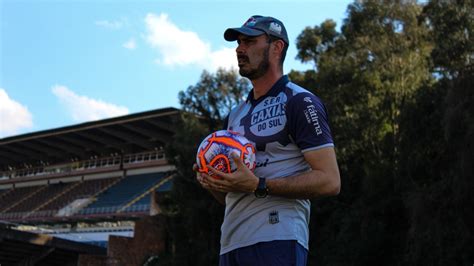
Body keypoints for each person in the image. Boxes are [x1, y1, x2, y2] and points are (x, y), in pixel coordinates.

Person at [195, 15, 341, 266]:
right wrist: (212, 182)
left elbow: (330, 181)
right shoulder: (234, 115)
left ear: (276, 47)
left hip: (278, 239)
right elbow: (232, 193)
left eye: (249, 41)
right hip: (231, 243)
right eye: (239, 42)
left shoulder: (300, 101)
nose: (240, 49)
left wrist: (260, 184)